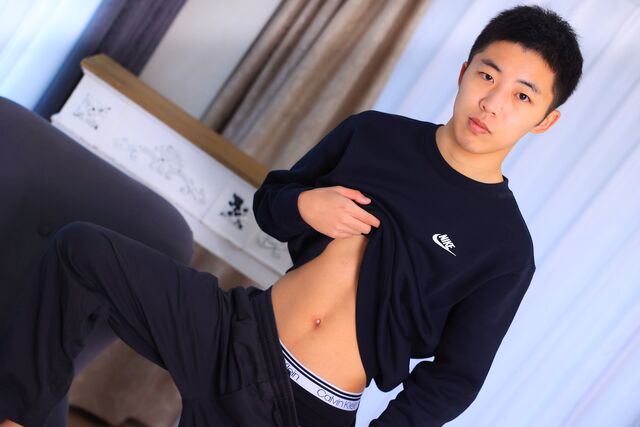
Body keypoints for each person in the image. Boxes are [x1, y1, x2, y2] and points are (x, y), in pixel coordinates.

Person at [0, 4, 583, 427]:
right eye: (487, 75)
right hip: (235, 329)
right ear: (463, 72)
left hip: (307, 406)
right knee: (82, 253)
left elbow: (456, 377)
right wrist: (305, 204)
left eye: (522, 96)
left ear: (544, 120)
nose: (492, 102)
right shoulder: (374, 134)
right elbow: (271, 205)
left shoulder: (506, 248)